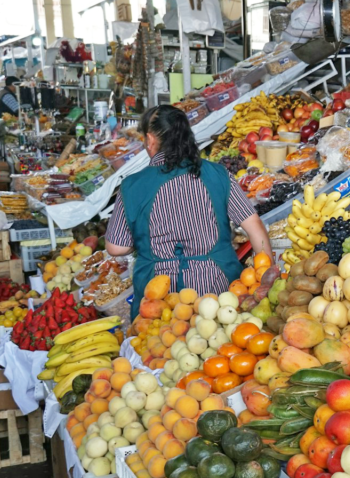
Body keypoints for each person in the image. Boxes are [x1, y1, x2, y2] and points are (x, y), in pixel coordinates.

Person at [105, 105, 273, 319]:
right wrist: (266, 279)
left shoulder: (131, 185)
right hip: (220, 293)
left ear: (150, 139)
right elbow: (256, 229)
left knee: (158, 346)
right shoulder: (219, 175)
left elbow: (116, 247)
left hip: (159, 298)